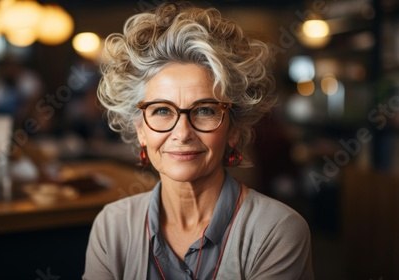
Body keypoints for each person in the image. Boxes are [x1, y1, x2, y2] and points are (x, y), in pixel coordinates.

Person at [83, 2, 314, 279]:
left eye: (204, 110)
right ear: (141, 130)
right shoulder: (112, 226)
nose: (182, 133)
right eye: (161, 111)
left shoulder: (277, 230)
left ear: (233, 130)